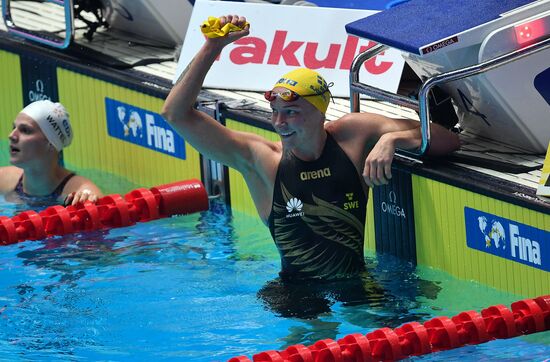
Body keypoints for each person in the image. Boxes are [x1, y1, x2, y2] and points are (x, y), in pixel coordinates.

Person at [162, 15, 460, 282]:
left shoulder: (352, 135)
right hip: (296, 293)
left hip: (355, 282)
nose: (279, 122)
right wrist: (212, 48)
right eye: (275, 111)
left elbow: (449, 140)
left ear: (321, 112)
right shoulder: (261, 159)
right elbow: (175, 113)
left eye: (291, 112)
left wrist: (392, 140)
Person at [0, 100, 102, 208]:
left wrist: (86, 206)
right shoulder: (3, 179)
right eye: (13, 128)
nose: (11, 135)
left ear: (51, 143)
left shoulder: (82, 193)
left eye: (25, 130)